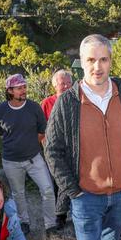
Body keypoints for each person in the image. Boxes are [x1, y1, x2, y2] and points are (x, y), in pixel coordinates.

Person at [44, 34, 121, 240]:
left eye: (103, 59)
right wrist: (72, 189)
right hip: (86, 196)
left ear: (111, 61)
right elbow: (52, 149)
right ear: (81, 62)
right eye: (91, 59)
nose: (97, 66)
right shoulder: (68, 102)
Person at [0, 74, 57, 236]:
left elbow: (41, 132)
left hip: (34, 158)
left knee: (48, 190)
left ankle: (50, 225)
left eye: (24, 87)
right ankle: (24, 223)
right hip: (11, 161)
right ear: (9, 90)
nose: (23, 90)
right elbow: (1, 133)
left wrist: (29, 146)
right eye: (19, 88)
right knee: (18, 193)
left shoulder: (34, 107)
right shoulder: (0, 110)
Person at [40, 69, 73, 230]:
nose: (66, 86)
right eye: (62, 83)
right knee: (54, 182)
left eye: (68, 83)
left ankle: (62, 214)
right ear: (55, 85)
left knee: (67, 180)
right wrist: (47, 146)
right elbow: (40, 129)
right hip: (53, 150)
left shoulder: (77, 100)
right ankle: (56, 215)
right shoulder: (47, 103)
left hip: (73, 149)